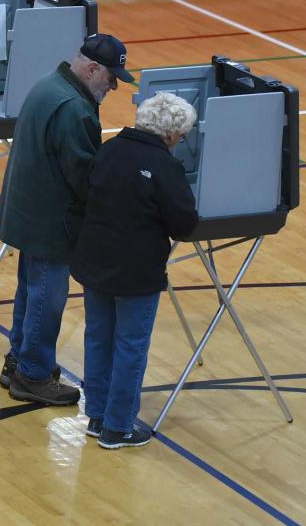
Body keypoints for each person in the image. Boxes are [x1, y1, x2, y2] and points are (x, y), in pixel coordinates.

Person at [0, 33, 134, 406]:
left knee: (30, 290)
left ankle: (19, 361)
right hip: (50, 219)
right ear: (92, 69)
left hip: (27, 209)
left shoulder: (50, 85)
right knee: (48, 297)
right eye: (111, 78)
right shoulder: (74, 107)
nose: (114, 87)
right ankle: (34, 375)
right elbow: (85, 176)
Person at [71, 91, 199, 448]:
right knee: (130, 346)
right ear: (172, 135)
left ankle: (97, 416)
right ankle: (119, 427)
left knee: (98, 338)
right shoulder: (164, 166)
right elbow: (184, 225)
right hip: (135, 272)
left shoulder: (110, 149)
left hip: (94, 262)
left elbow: (86, 193)